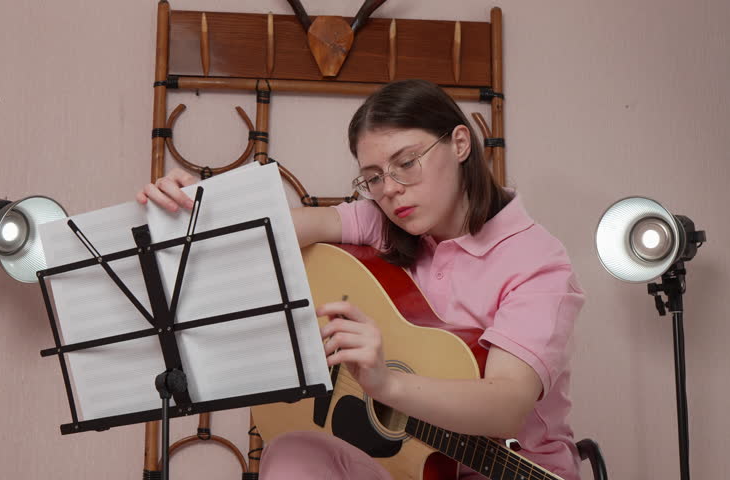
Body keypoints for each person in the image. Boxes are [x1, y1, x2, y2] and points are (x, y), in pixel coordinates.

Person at [137, 79, 585, 480]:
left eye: (406, 162)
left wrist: (385, 385)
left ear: (460, 143)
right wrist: (201, 209)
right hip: (405, 464)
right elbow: (275, 229)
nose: (389, 189)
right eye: (372, 177)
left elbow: (506, 405)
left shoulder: (537, 261)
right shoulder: (387, 224)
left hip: (508, 469)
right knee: (291, 452)